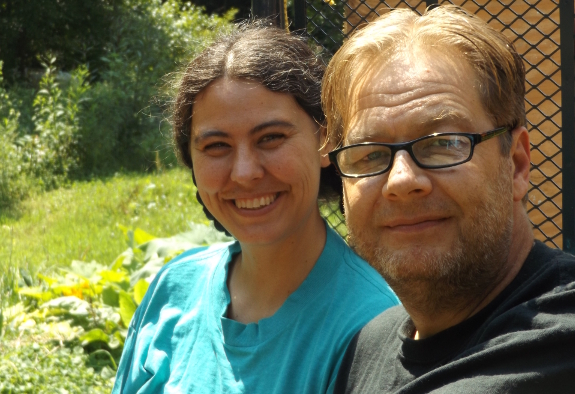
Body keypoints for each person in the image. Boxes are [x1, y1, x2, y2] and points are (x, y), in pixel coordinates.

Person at [112, 23, 399, 394]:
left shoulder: (371, 325)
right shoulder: (173, 288)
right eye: (216, 146)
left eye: (271, 138)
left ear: (325, 141)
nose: (245, 172)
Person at [321, 5, 575, 393]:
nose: (401, 180)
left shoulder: (560, 338)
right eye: (370, 153)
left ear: (517, 165)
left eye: (444, 144)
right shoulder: (368, 346)